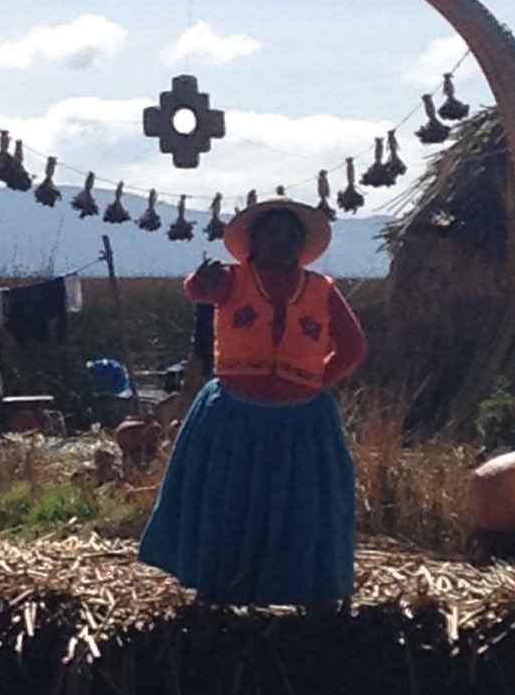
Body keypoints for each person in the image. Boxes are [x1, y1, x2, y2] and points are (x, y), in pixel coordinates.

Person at [138, 196, 368, 605]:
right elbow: (197, 290)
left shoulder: (322, 290)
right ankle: (222, 586)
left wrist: (312, 381)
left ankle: (302, 588)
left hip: (301, 422)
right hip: (234, 415)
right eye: (272, 233)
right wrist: (200, 282)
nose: (282, 241)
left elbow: (353, 347)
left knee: (302, 505)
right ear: (254, 243)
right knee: (227, 502)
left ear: (301, 245)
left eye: (291, 234)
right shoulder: (231, 280)